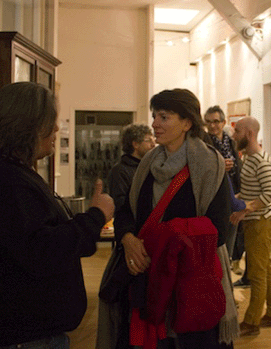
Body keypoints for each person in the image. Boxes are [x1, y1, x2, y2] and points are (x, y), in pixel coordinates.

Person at [0, 82, 115, 349]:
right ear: (26, 125)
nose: (55, 129)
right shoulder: (3, 180)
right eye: (50, 121)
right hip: (17, 337)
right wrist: (96, 216)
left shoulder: (8, 174)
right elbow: (42, 249)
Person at [97, 89, 238, 349]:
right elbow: (128, 210)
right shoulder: (147, 163)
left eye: (164, 117)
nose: (154, 124)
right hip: (146, 273)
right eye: (154, 116)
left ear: (187, 123)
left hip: (190, 279)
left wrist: (165, 241)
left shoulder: (209, 164)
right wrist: (128, 238)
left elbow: (217, 226)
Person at [230, 117, 271, 337]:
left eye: (238, 132)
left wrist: (245, 209)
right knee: (266, 270)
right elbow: (253, 190)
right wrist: (235, 198)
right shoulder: (249, 159)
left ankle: (252, 323)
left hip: (261, 223)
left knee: (257, 274)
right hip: (257, 222)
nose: (234, 136)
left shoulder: (260, 160)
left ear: (249, 134)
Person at [203, 106, 244, 267]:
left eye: (216, 122)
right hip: (215, 197)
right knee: (216, 242)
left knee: (230, 240)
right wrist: (219, 167)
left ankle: (226, 276)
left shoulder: (231, 141)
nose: (212, 126)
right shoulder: (203, 142)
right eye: (209, 122)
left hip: (234, 195)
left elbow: (238, 165)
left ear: (223, 122)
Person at [107, 124, 155, 212]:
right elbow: (120, 204)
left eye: (154, 140)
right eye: (149, 141)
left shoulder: (150, 167)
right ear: (135, 144)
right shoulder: (119, 171)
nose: (153, 145)